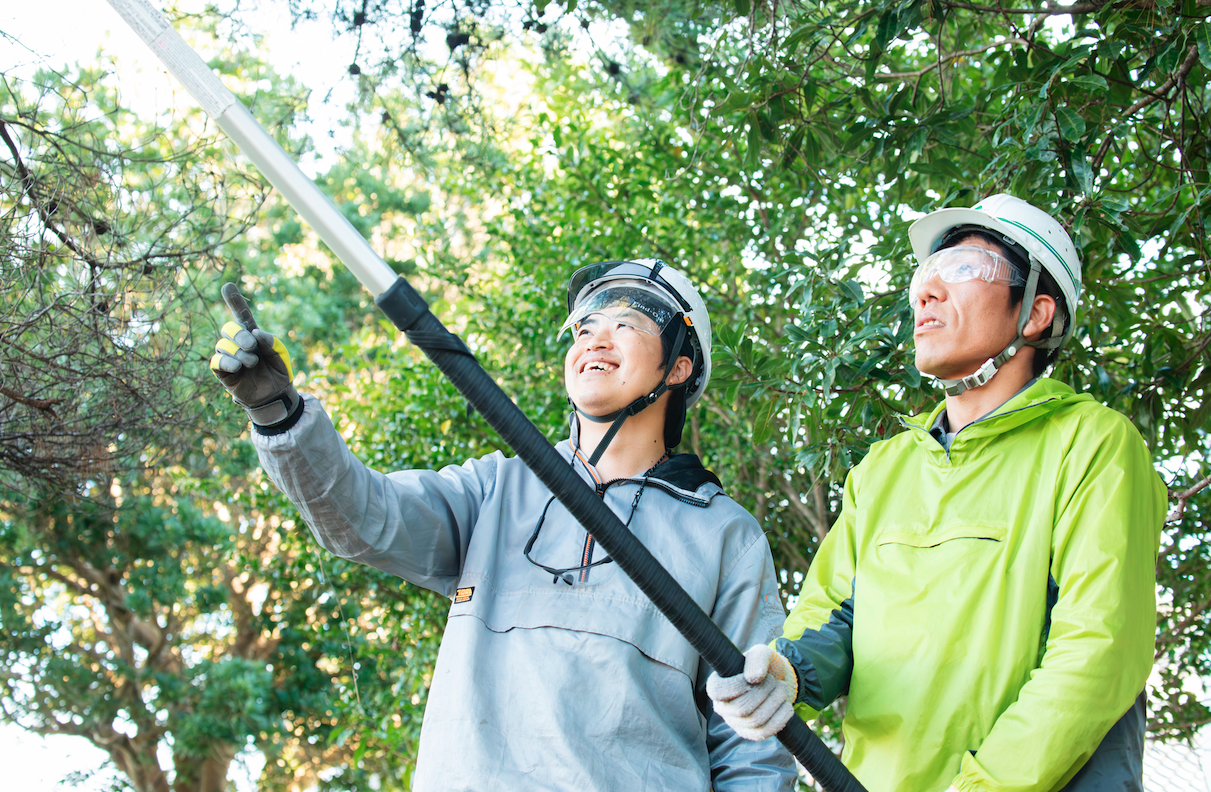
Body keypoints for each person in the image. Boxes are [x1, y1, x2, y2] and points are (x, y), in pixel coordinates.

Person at [211, 259, 797, 791]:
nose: (595, 336)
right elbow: (366, 519)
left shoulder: (724, 535)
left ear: (680, 367)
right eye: (585, 327)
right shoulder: (494, 489)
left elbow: (753, 746)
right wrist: (278, 413)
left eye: (628, 322)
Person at [706, 194, 1167, 792]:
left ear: (1035, 314)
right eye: (924, 277)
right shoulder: (886, 467)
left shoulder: (1093, 444)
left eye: (965, 269)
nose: (925, 293)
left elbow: (1096, 651)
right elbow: (837, 618)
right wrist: (786, 673)